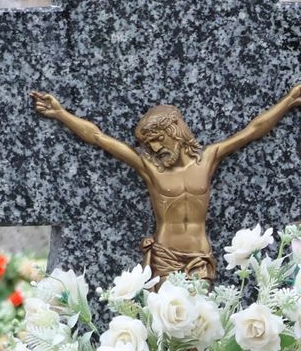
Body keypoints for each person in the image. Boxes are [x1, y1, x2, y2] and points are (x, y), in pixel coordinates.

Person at [31, 87, 301, 279]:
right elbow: (99, 137)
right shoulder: (151, 169)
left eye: (158, 138)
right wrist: (61, 114)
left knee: (199, 338)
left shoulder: (207, 159)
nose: (155, 147)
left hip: (199, 256)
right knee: (167, 336)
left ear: (175, 130)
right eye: (149, 144)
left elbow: (253, 130)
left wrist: (289, 100)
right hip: (165, 257)